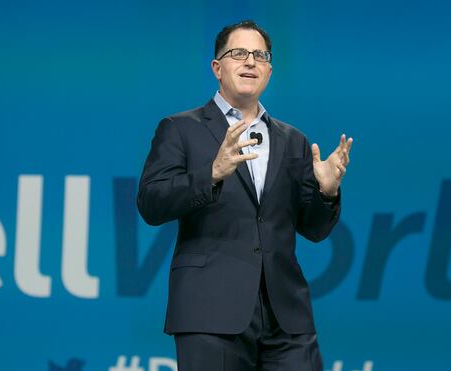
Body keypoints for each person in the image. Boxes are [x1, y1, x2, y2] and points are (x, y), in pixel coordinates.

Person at [137, 19, 353, 371]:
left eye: (260, 55)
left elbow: (313, 229)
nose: (250, 61)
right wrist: (211, 174)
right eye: (239, 53)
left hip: (287, 317)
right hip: (210, 312)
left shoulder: (292, 139)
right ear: (217, 68)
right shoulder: (181, 129)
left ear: (269, 70)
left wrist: (327, 192)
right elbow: (151, 203)